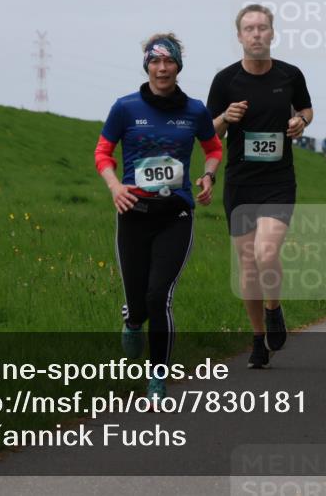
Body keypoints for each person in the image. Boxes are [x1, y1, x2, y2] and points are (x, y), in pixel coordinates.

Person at [96, 33, 222, 402]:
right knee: (138, 302)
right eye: (155, 61)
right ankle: (132, 320)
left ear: (178, 66)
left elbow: (212, 146)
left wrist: (208, 174)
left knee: (158, 297)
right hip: (133, 212)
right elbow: (103, 152)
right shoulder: (125, 107)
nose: (162, 68)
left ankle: (157, 380)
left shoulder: (195, 110)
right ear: (147, 65)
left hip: (176, 214)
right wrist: (115, 186)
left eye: (169, 62)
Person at [206, 4, 313, 369]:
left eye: (262, 28)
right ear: (239, 36)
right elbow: (209, 132)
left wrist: (300, 120)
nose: (255, 34)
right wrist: (225, 116)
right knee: (248, 265)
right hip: (240, 183)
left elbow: (307, 110)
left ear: (272, 33)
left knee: (266, 253)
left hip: (278, 181)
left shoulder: (290, 74)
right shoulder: (225, 80)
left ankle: (274, 309)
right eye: (249, 28)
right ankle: (256, 340)